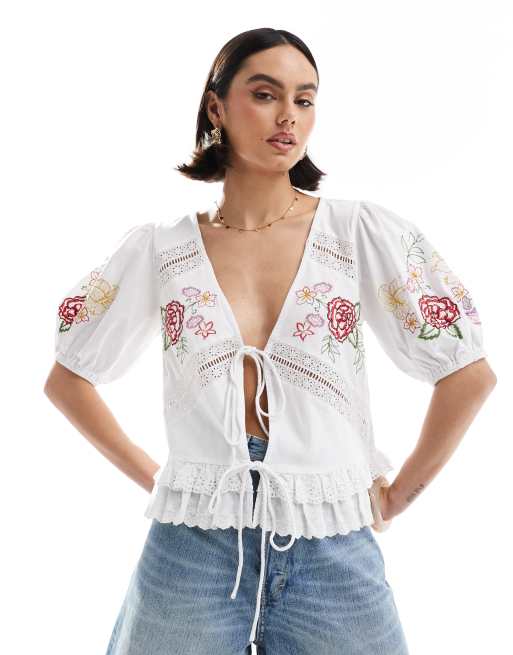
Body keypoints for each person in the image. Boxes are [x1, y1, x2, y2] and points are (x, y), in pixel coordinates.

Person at [44, 27, 497, 655]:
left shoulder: (357, 232)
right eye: (265, 94)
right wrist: (162, 481)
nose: (288, 116)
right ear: (216, 107)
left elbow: (468, 374)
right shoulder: (161, 248)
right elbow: (68, 379)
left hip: (331, 547)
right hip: (192, 549)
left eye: (304, 99)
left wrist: (397, 496)